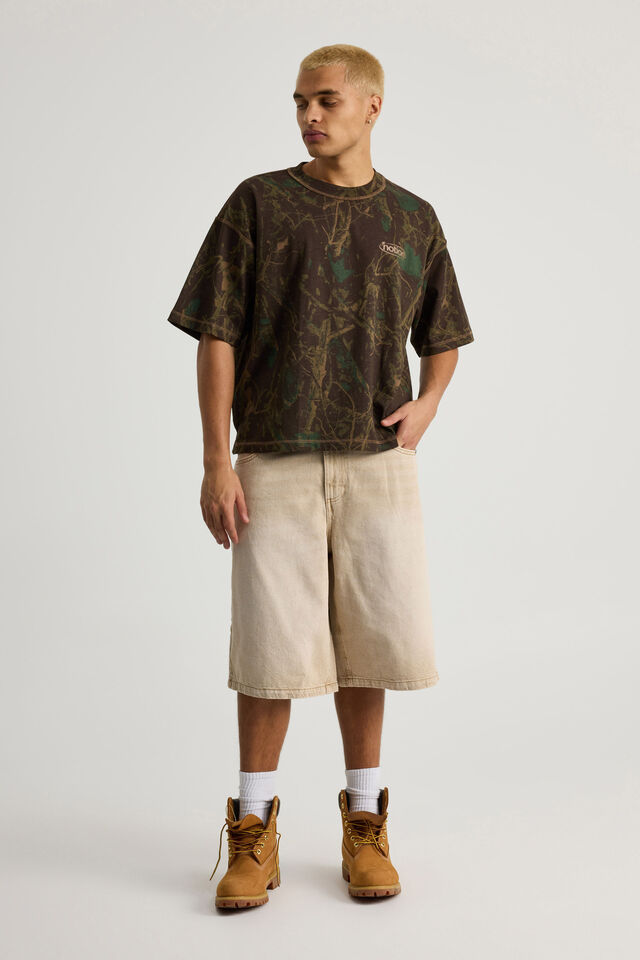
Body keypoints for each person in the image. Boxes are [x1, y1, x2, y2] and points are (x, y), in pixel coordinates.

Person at [166, 43, 474, 909]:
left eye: (327, 99)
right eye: (301, 100)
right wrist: (215, 459)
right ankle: (253, 831)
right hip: (272, 455)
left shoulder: (413, 217)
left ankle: (365, 822)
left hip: (379, 461)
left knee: (369, 639)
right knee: (269, 652)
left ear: (372, 106)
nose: (309, 114)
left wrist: (429, 404)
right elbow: (216, 332)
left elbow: (444, 331)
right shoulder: (258, 203)